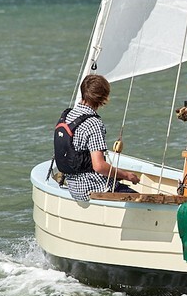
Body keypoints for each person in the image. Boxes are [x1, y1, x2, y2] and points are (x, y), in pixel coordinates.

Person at [56, 74, 139, 202]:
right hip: (93, 188)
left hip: (74, 187)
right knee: (139, 198)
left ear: (83, 92)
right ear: (103, 97)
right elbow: (99, 166)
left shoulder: (68, 115)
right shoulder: (93, 123)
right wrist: (127, 176)